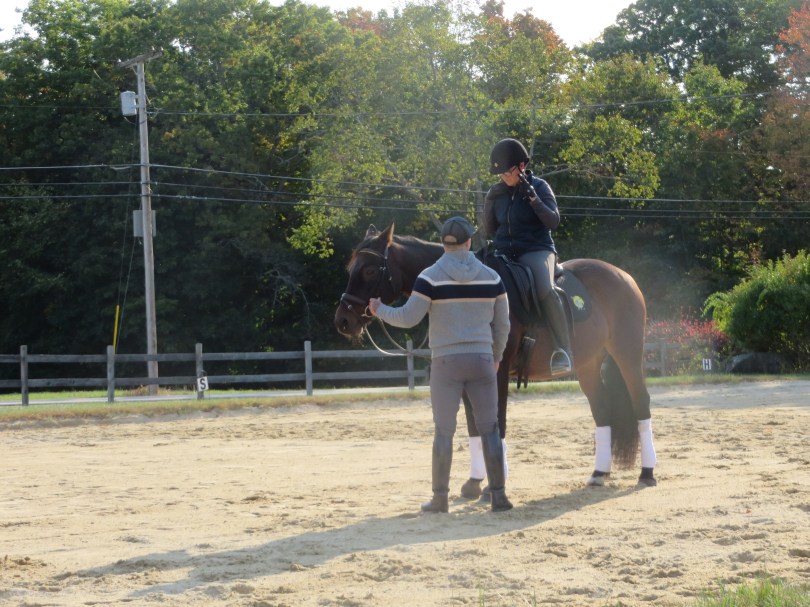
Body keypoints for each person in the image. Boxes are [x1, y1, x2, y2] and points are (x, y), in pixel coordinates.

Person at [368, 216, 513, 513]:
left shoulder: (429, 277)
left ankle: (440, 499)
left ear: (443, 243)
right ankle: (499, 497)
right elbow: (503, 325)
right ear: (469, 242)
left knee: (444, 431)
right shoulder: (492, 278)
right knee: (490, 427)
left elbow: (408, 318)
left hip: (446, 363)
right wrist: (496, 356)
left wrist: (379, 309)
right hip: (482, 361)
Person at [483, 137, 572, 376]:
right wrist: (489, 202)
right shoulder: (498, 193)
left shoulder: (540, 186)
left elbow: (553, 221)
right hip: (504, 252)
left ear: (521, 166)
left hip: (536, 249)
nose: (503, 177)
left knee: (544, 288)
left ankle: (564, 350)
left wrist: (533, 198)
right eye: (500, 174)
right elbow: (490, 230)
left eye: (507, 172)